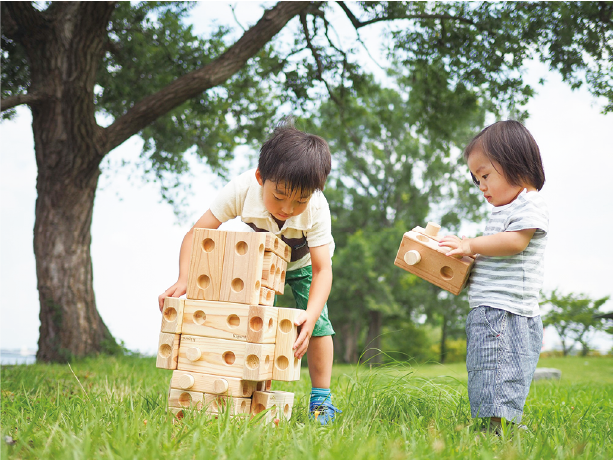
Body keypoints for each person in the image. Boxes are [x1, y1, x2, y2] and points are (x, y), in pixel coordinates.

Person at [158, 121, 341, 425]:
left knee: (318, 323)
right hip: (257, 263)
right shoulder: (242, 189)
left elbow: (323, 270)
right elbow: (196, 233)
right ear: (260, 178)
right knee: (248, 323)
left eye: (300, 200)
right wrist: (184, 278)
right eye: (280, 195)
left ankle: (321, 400)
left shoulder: (317, 208)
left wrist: (309, 315)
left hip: (302, 266)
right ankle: (240, 388)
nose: (288, 207)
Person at [438, 120, 548, 433]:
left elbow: (515, 242)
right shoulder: (502, 210)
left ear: (514, 162)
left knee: (502, 369)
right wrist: (468, 255)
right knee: (488, 368)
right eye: (477, 180)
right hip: (491, 308)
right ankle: (497, 423)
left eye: (485, 175)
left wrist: (469, 244)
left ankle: (499, 425)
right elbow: (495, 251)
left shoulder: (530, 203)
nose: (482, 187)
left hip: (507, 310)